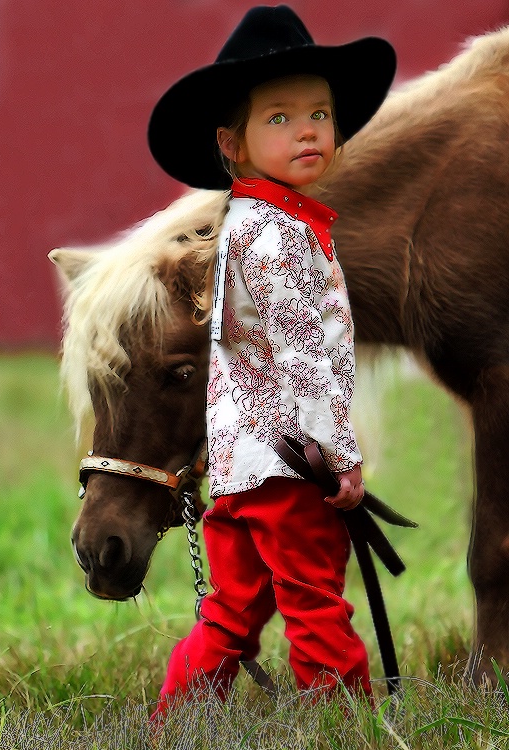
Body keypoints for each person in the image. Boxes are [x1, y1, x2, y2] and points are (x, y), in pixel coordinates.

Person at [147, 4, 396, 715]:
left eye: (320, 112)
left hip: (238, 466)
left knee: (233, 606)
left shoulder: (245, 224)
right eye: (279, 118)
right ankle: (341, 720)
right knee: (315, 596)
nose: (310, 129)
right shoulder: (282, 236)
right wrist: (339, 457)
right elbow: (303, 357)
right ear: (234, 145)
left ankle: (178, 715)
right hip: (290, 464)